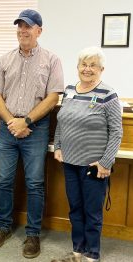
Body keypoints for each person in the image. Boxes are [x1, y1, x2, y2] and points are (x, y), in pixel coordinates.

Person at [0, 9, 64, 259]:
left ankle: (32, 234)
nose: (23, 31)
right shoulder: (5, 59)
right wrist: (12, 121)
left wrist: (27, 120)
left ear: (39, 30)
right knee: (3, 181)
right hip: (8, 128)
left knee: (35, 183)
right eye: (20, 26)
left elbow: (54, 96)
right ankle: (3, 227)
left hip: (37, 128)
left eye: (28, 27)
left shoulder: (52, 60)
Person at [52, 47, 122, 262]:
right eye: (84, 64)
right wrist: (58, 146)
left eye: (93, 65)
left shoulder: (108, 95)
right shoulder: (70, 90)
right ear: (77, 67)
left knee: (92, 212)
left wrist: (105, 162)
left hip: (94, 165)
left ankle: (92, 253)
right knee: (75, 209)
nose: (87, 69)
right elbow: (61, 121)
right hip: (70, 162)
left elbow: (117, 131)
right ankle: (77, 250)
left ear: (101, 69)